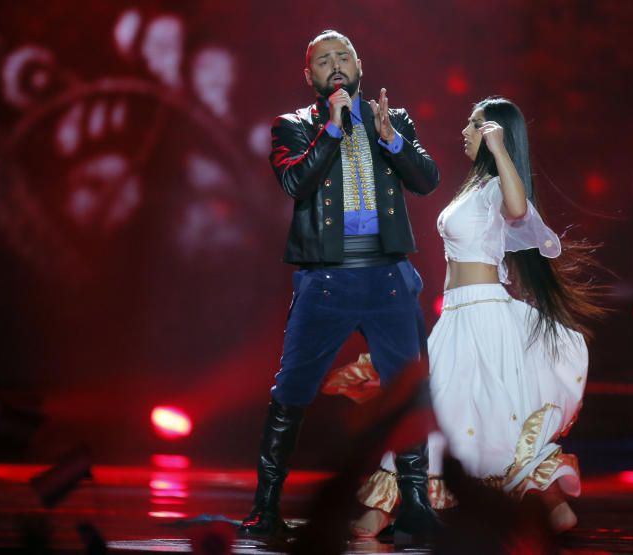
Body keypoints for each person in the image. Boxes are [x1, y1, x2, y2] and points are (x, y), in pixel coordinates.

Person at [353, 97, 602, 536]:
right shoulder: (476, 187)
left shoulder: (495, 187)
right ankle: (554, 507)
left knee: (462, 411)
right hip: (457, 315)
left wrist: (501, 148)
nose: (464, 132)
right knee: (454, 410)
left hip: (484, 315)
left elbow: (519, 209)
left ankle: (382, 509)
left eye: (474, 125)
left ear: (493, 134)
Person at [238, 30, 442, 538]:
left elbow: (426, 180)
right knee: (292, 391)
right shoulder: (293, 126)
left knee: (407, 391)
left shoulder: (392, 119)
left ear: (359, 66)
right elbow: (295, 183)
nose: (335, 65)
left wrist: (392, 139)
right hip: (325, 280)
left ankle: (416, 504)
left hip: (387, 278)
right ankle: (266, 507)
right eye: (323, 60)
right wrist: (331, 129)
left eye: (343, 56)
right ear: (309, 75)